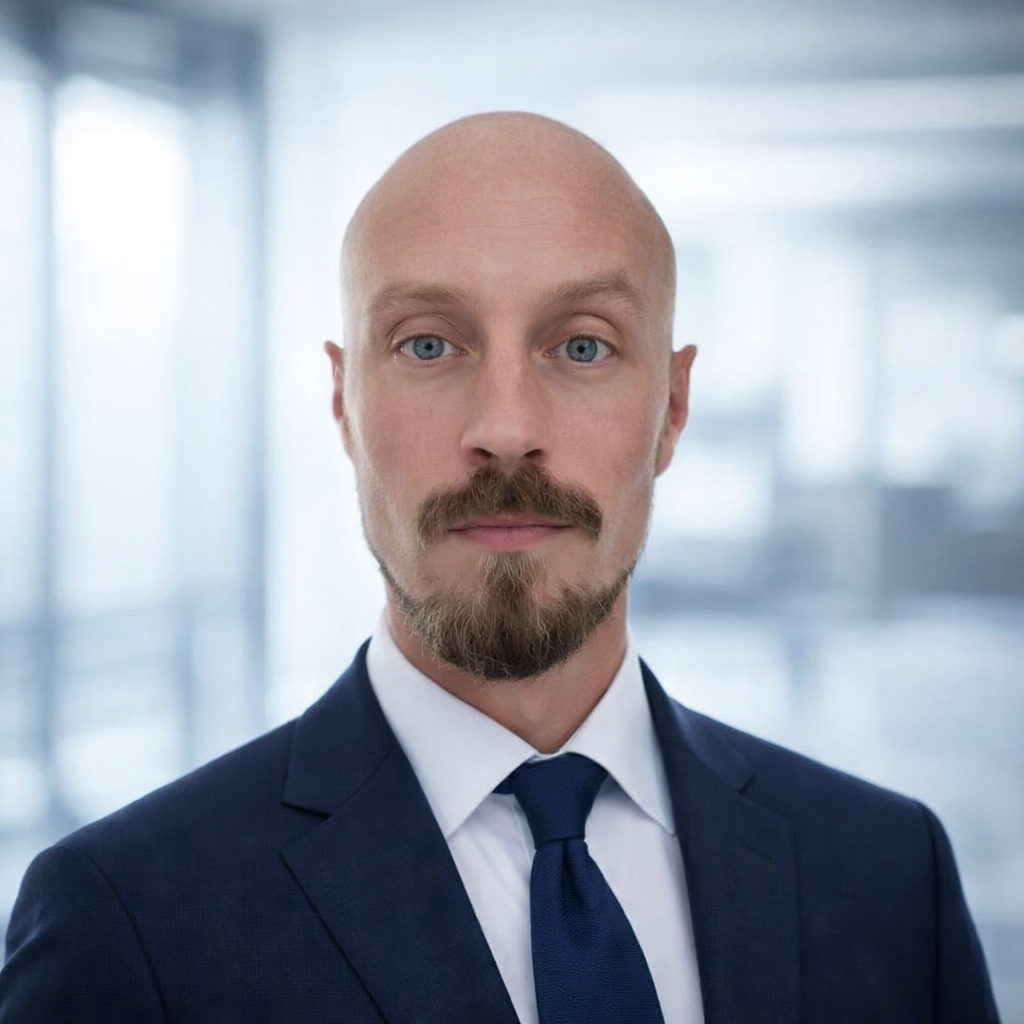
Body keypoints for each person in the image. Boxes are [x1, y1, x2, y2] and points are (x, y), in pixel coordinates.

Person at [0, 112, 999, 1024]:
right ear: (344, 405)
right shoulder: (125, 920)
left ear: (674, 407)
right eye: (429, 343)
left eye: (582, 345)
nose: (507, 431)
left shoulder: (886, 873)